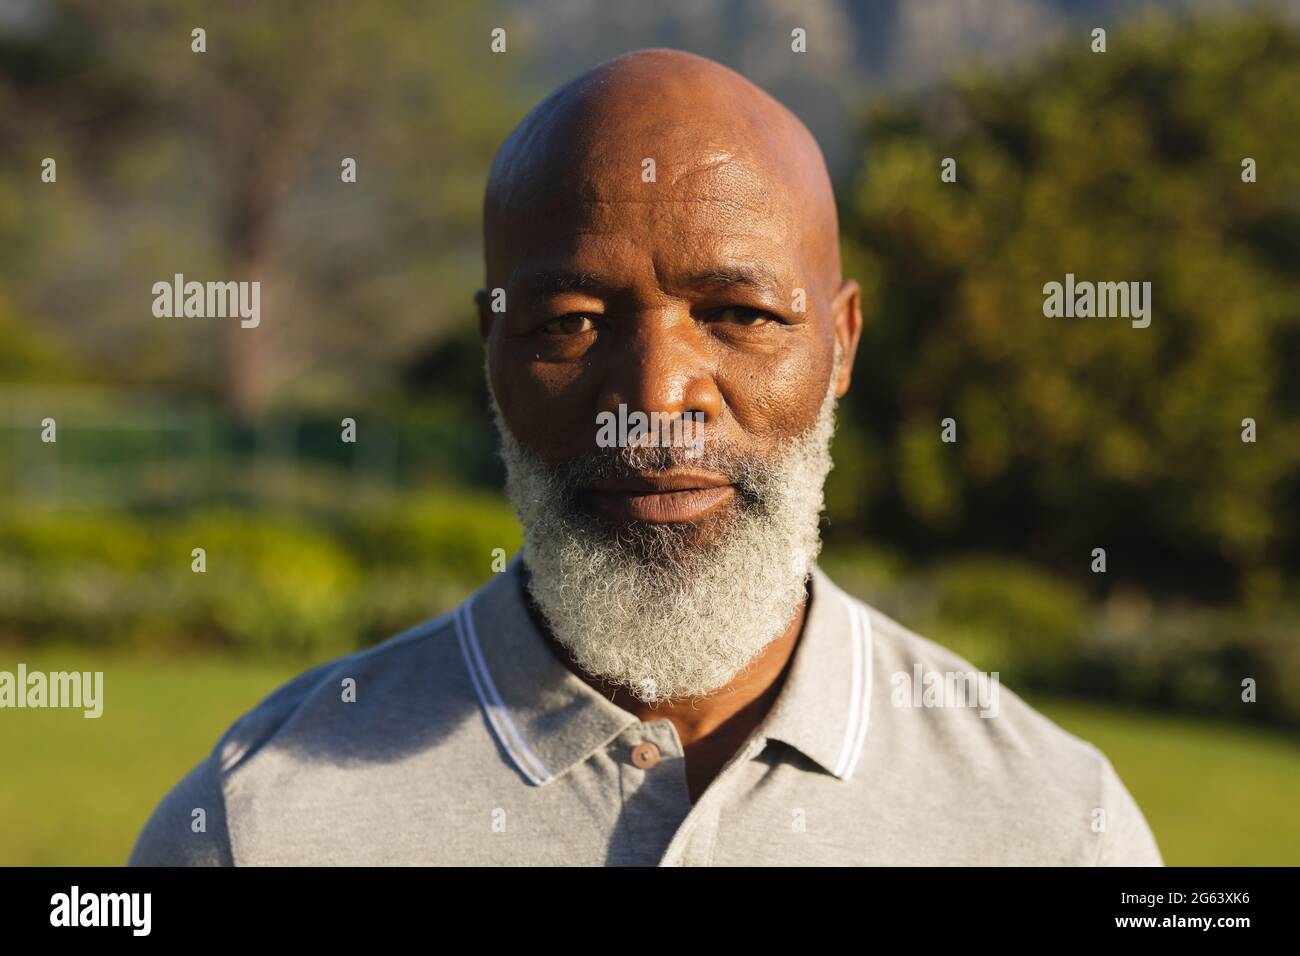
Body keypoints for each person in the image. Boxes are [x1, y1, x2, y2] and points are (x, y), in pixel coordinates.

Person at [129, 48, 1162, 866]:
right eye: (572, 322)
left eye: (739, 313)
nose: (655, 398)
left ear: (841, 344)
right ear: (489, 350)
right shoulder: (259, 824)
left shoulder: (1055, 826)